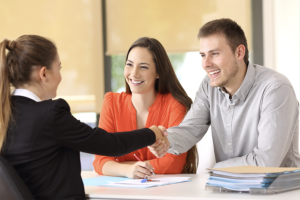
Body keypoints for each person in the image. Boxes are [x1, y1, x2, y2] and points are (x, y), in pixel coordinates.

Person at [0, 35, 168, 200]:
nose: (60, 76)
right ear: (44, 74)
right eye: (59, 68)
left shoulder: (5, 113)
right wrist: (152, 133)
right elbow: (109, 144)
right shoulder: (50, 114)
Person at [150, 18, 300, 168]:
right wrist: (165, 140)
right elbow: (190, 129)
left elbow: (265, 163)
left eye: (214, 54)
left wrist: (216, 169)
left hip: (276, 189)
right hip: (228, 186)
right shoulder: (209, 86)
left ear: (239, 52)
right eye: (203, 55)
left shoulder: (276, 89)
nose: (205, 64)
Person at [93, 37, 198, 179]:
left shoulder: (175, 105)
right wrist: (128, 171)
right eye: (129, 64)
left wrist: (120, 167)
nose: (134, 74)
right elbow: (100, 161)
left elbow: (173, 163)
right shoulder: (111, 103)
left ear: (158, 72)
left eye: (143, 67)